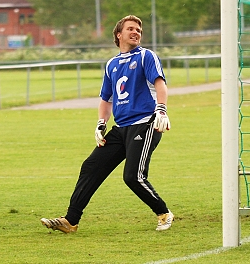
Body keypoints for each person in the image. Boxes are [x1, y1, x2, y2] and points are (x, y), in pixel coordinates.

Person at [41, 15, 173, 233]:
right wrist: (101, 123)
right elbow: (106, 99)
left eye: (139, 29)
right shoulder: (111, 64)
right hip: (120, 128)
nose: (136, 32)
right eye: (131, 28)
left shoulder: (146, 56)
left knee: (133, 177)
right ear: (119, 35)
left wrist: (161, 109)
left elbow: (160, 83)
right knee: (91, 166)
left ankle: (164, 213)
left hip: (145, 124)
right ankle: (70, 221)